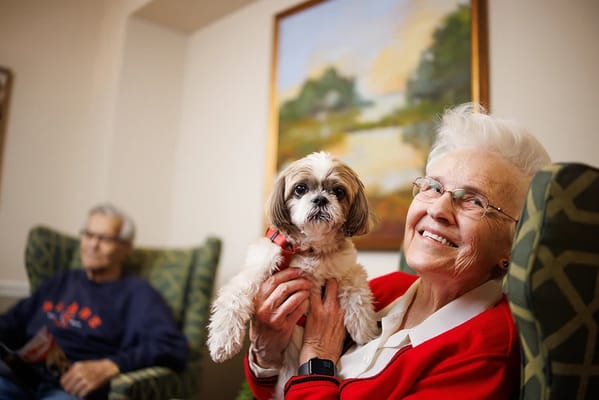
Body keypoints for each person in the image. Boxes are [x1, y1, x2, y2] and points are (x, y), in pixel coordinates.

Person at [244, 103, 551, 399]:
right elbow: (270, 388)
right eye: (433, 187)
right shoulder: (385, 289)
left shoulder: (488, 347)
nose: (439, 209)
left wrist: (317, 362)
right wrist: (265, 353)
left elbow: (306, 371)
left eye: (474, 200)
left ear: (515, 240)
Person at [0, 203, 188, 399]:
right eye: (88, 235)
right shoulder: (62, 280)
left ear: (126, 247)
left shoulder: (138, 294)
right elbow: (12, 323)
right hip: (18, 378)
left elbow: (172, 347)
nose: (92, 245)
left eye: (104, 239)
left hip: (70, 389)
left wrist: (111, 365)